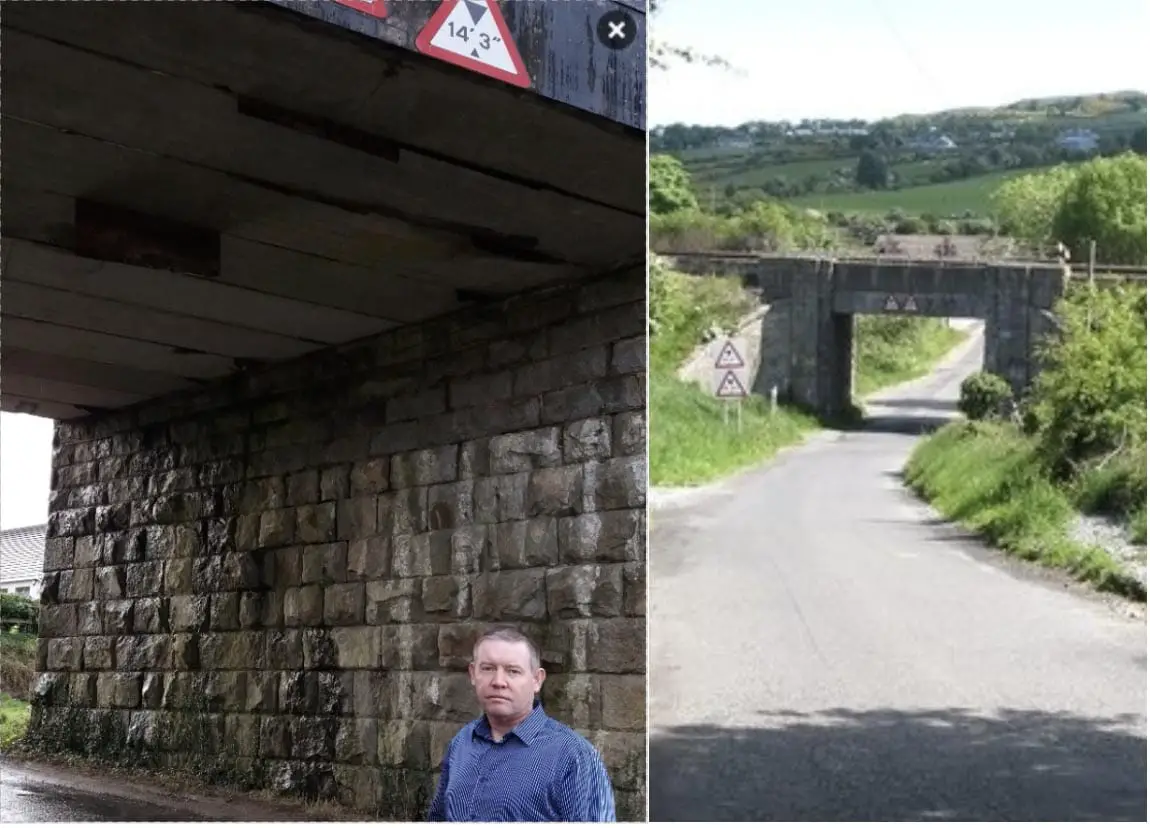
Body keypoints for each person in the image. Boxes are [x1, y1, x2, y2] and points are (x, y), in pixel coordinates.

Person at [427, 625, 616, 822]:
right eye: (488, 668)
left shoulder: (573, 756)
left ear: (537, 680)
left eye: (513, 671)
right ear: (473, 674)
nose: (499, 681)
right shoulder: (462, 743)